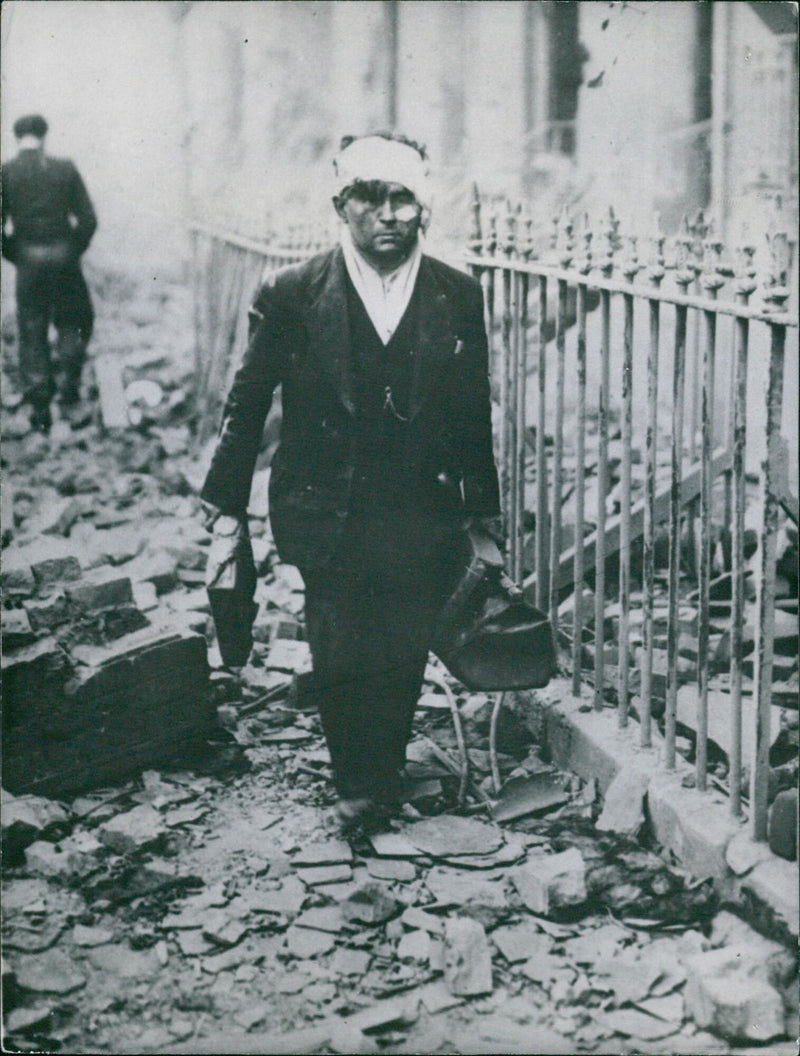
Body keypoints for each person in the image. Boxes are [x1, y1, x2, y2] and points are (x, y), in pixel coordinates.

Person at [201, 132, 501, 828]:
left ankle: (383, 764)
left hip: (419, 504)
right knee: (339, 633)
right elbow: (247, 403)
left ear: (424, 209)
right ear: (342, 206)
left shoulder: (456, 293)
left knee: (402, 635)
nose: (388, 214)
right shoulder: (294, 292)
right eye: (370, 197)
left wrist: (481, 512)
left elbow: (470, 409)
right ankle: (355, 779)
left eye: (403, 199)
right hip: (324, 501)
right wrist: (226, 506)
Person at [1, 114, 97, 432]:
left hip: (28, 259)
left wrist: (16, 254)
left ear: (18, 138)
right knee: (74, 319)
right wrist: (72, 249)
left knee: (31, 330)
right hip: (64, 257)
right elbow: (88, 220)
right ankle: (69, 396)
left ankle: (40, 410)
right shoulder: (65, 169)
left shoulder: (6, 172)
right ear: (44, 136)